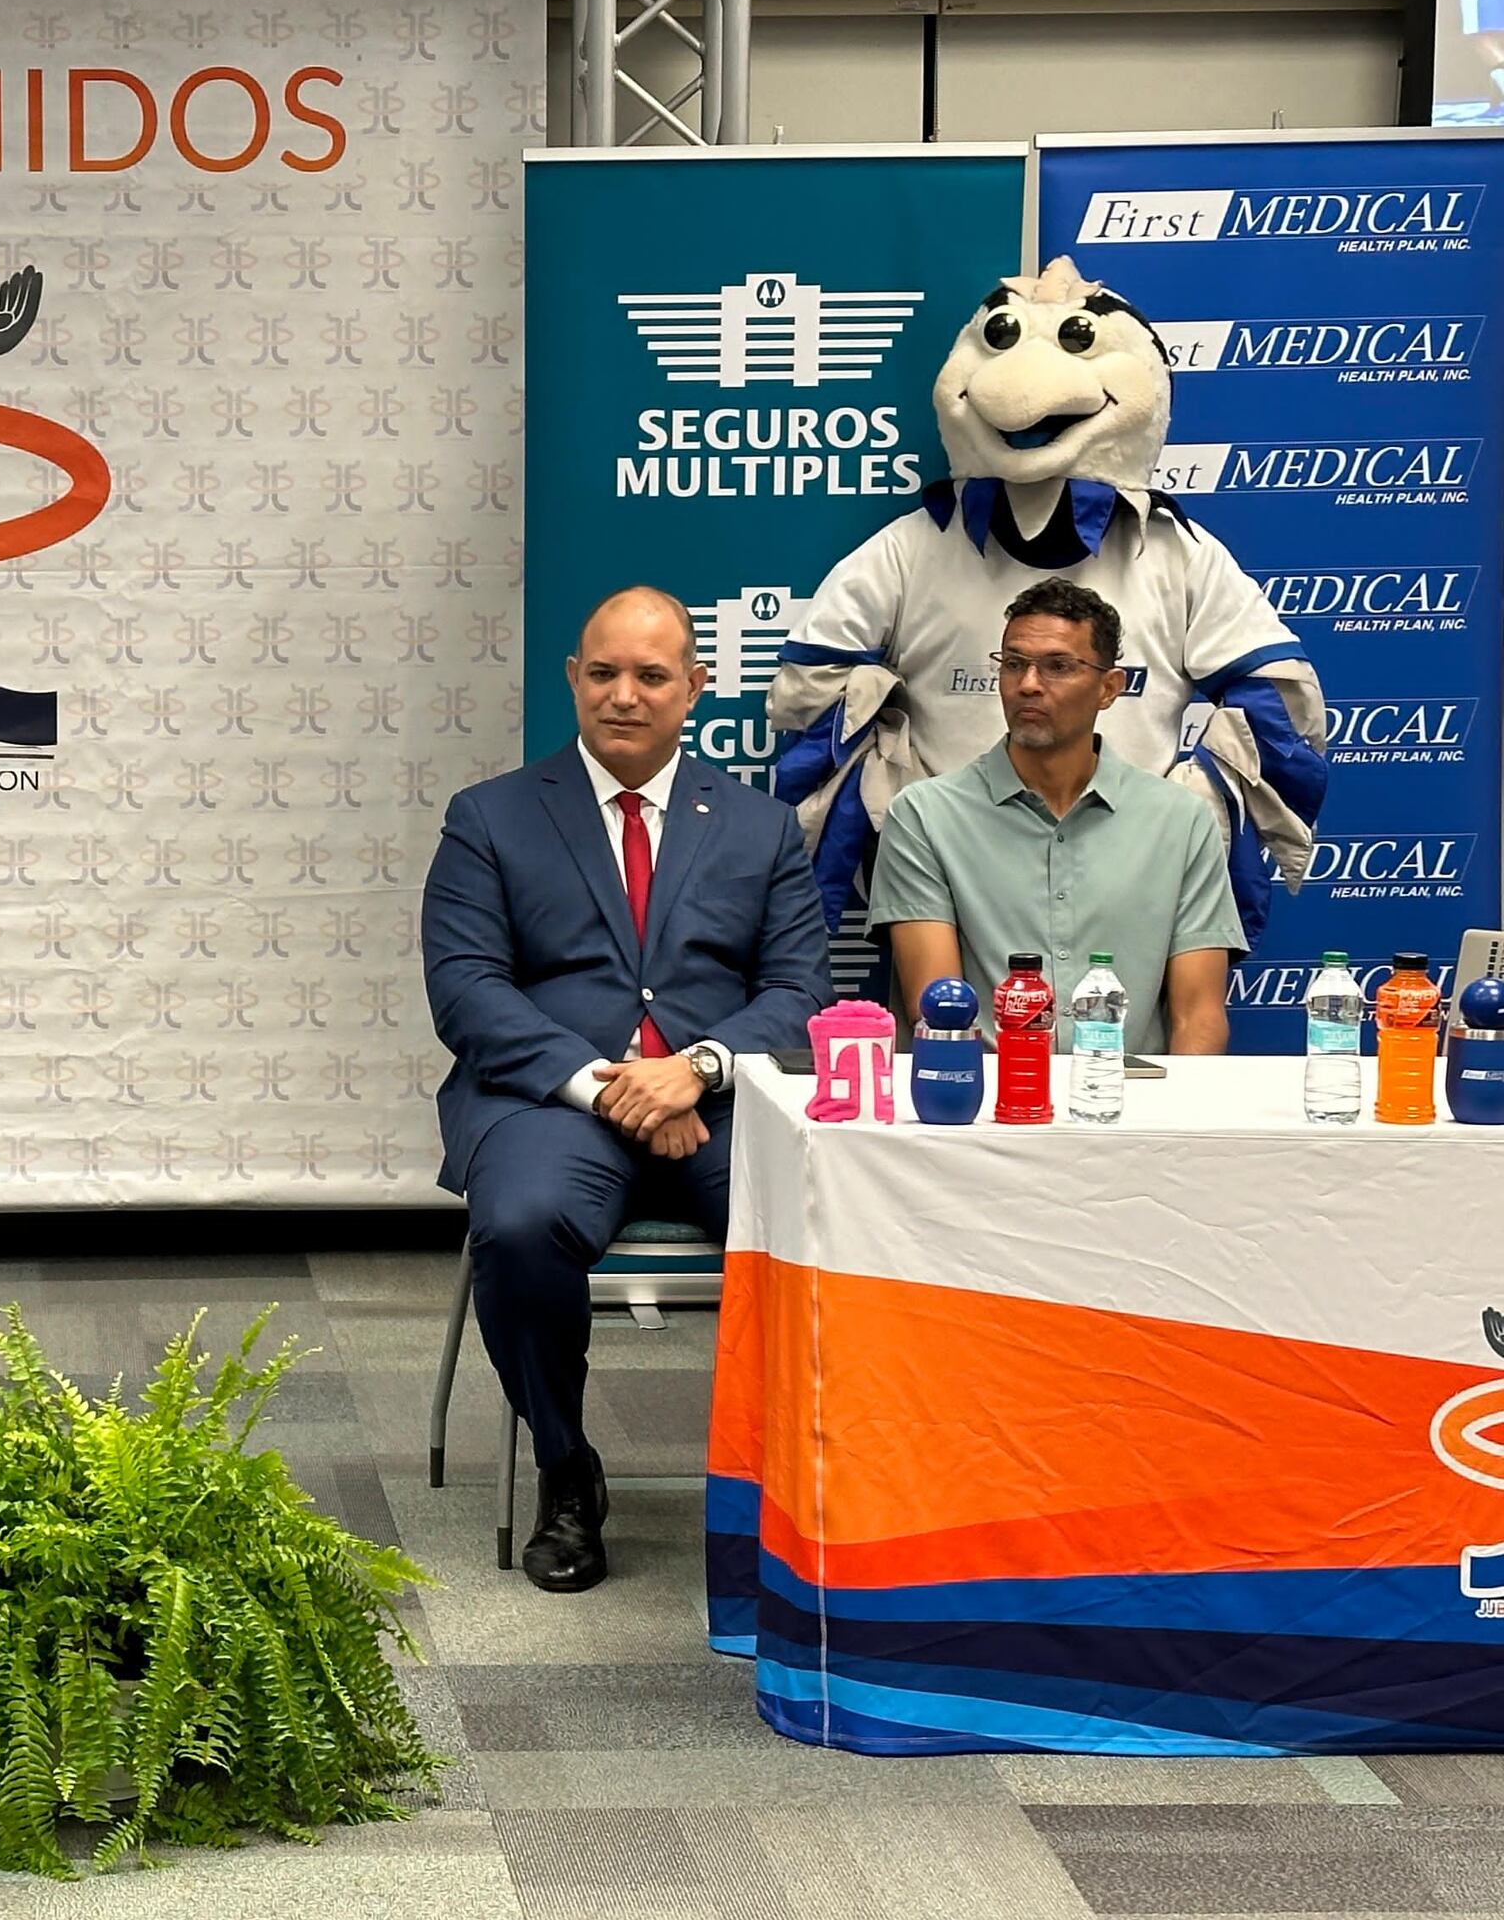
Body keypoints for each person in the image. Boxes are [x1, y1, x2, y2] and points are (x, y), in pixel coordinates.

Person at [422, 586, 833, 1594]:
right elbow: (465, 988)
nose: (622, 694)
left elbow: (799, 992)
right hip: (551, 1102)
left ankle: (797, 1477)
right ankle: (567, 1469)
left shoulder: (760, 827)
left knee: (823, 1223)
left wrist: (691, 1068)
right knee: (517, 1228)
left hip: (716, 1105)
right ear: (573, 677)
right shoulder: (490, 817)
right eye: (602, 672)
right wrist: (604, 1086)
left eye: (651, 675)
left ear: (695, 686)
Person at [868, 577, 1242, 1055]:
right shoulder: (926, 816)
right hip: (986, 1107)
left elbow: (1200, 1017)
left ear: (1109, 689)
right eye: (1014, 664)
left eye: (1058, 667)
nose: (1028, 685)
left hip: (1130, 1106)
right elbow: (938, 1013)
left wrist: (1166, 1125)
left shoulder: (1181, 821)